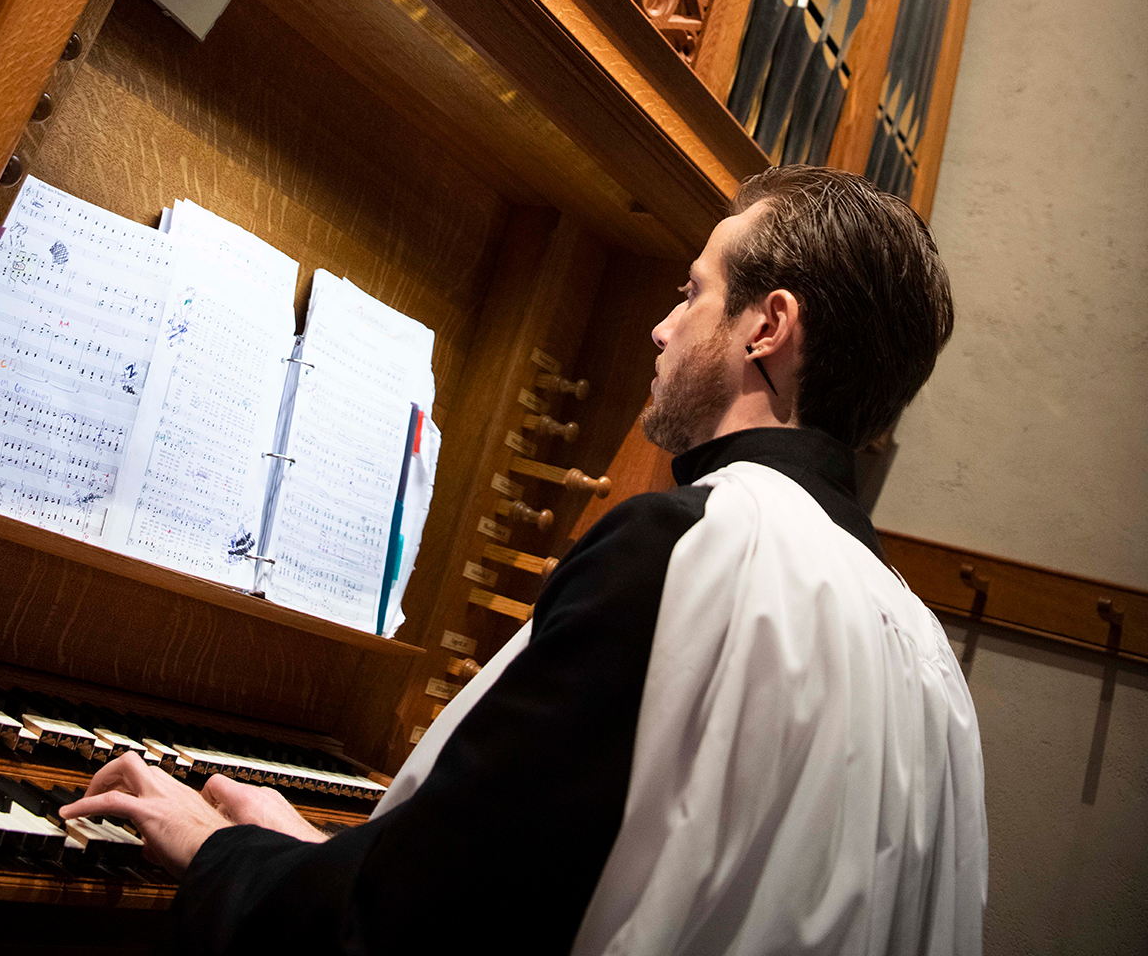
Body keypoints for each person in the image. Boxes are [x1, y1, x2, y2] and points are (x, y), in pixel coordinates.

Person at [63, 165, 987, 954]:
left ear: (767, 325)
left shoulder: (691, 547)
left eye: (693, 291)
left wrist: (223, 855)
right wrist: (322, 859)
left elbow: (423, 933)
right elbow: (597, 881)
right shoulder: (931, 665)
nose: (663, 328)